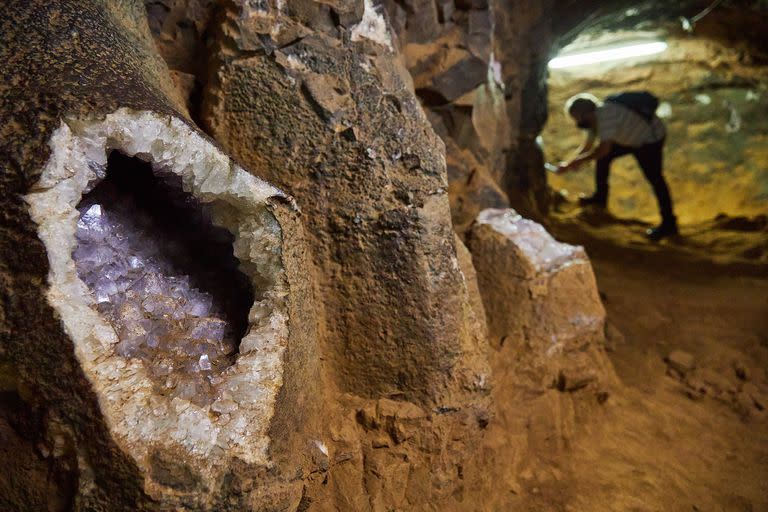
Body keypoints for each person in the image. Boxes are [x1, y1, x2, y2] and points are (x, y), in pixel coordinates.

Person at [557, 92, 678, 241]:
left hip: (649, 140)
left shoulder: (605, 115)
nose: (577, 123)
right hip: (629, 139)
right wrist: (568, 164)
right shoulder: (594, 119)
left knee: (655, 179)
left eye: (577, 118)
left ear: (585, 113)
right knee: (603, 160)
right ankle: (600, 198)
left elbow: (603, 149)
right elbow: (587, 146)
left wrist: (579, 161)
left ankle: (669, 223)